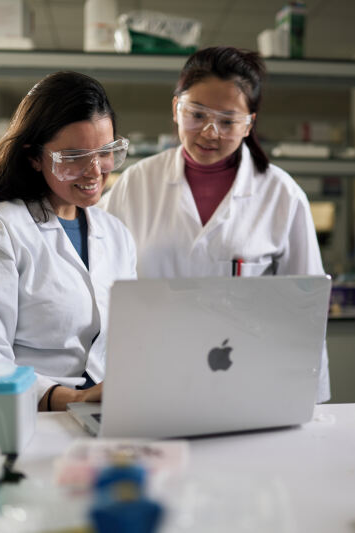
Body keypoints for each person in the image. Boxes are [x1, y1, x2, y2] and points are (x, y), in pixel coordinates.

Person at [100, 47, 330, 402]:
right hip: (152, 374)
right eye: (197, 114)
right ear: (176, 108)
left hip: (248, 381)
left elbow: (306, 310)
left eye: (227, 121)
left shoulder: (281, 195)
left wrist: (305, 398)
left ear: (249, 123)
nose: (210, 132)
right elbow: (99, 280)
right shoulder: (136, 184)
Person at [0, 71, 136, 411]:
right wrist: (69, 399)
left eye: (105, 152)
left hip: (90, 418)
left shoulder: (116, 234)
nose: (94, 171)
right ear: (34, 157)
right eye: (74, 157)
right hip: (3, 422)